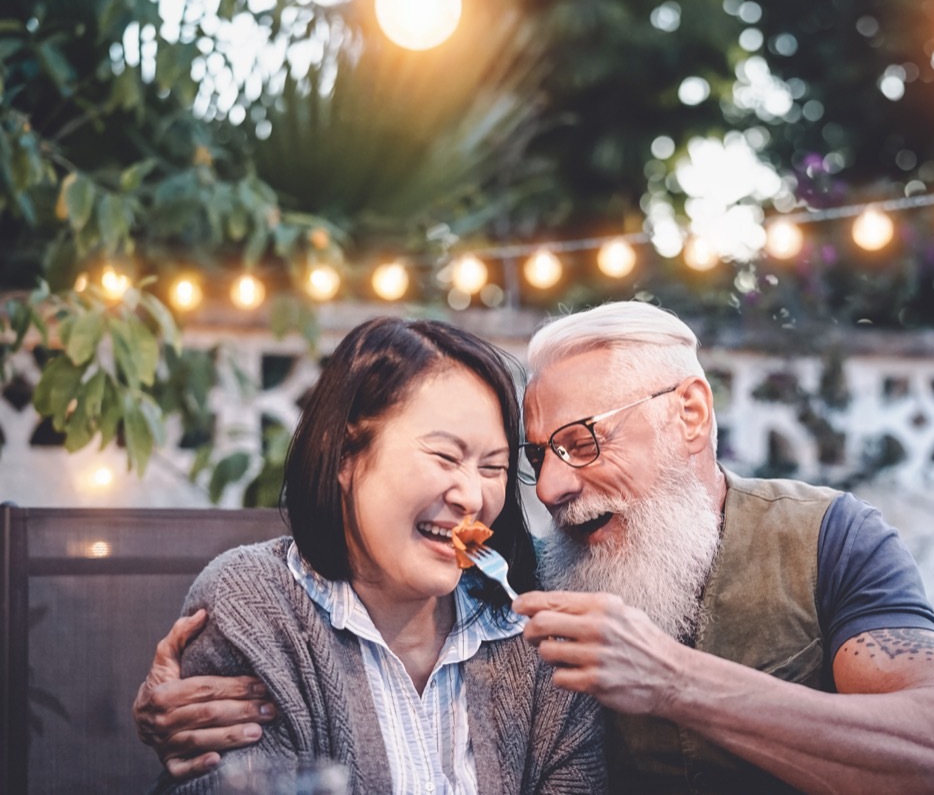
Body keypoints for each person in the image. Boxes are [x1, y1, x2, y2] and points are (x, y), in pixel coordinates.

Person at [135, 302, 934, 793]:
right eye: (539, 455)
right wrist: (177, 735)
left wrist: (672, 679)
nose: (546, 488)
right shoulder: (532, 594)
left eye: (582, 440)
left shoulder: (829, 538)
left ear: (691, 415)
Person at [141, 316, 604, 794]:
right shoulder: (254, 607)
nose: (472, 495)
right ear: (345, 454)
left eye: (494, 467)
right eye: (445, 457)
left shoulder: (536, 634)